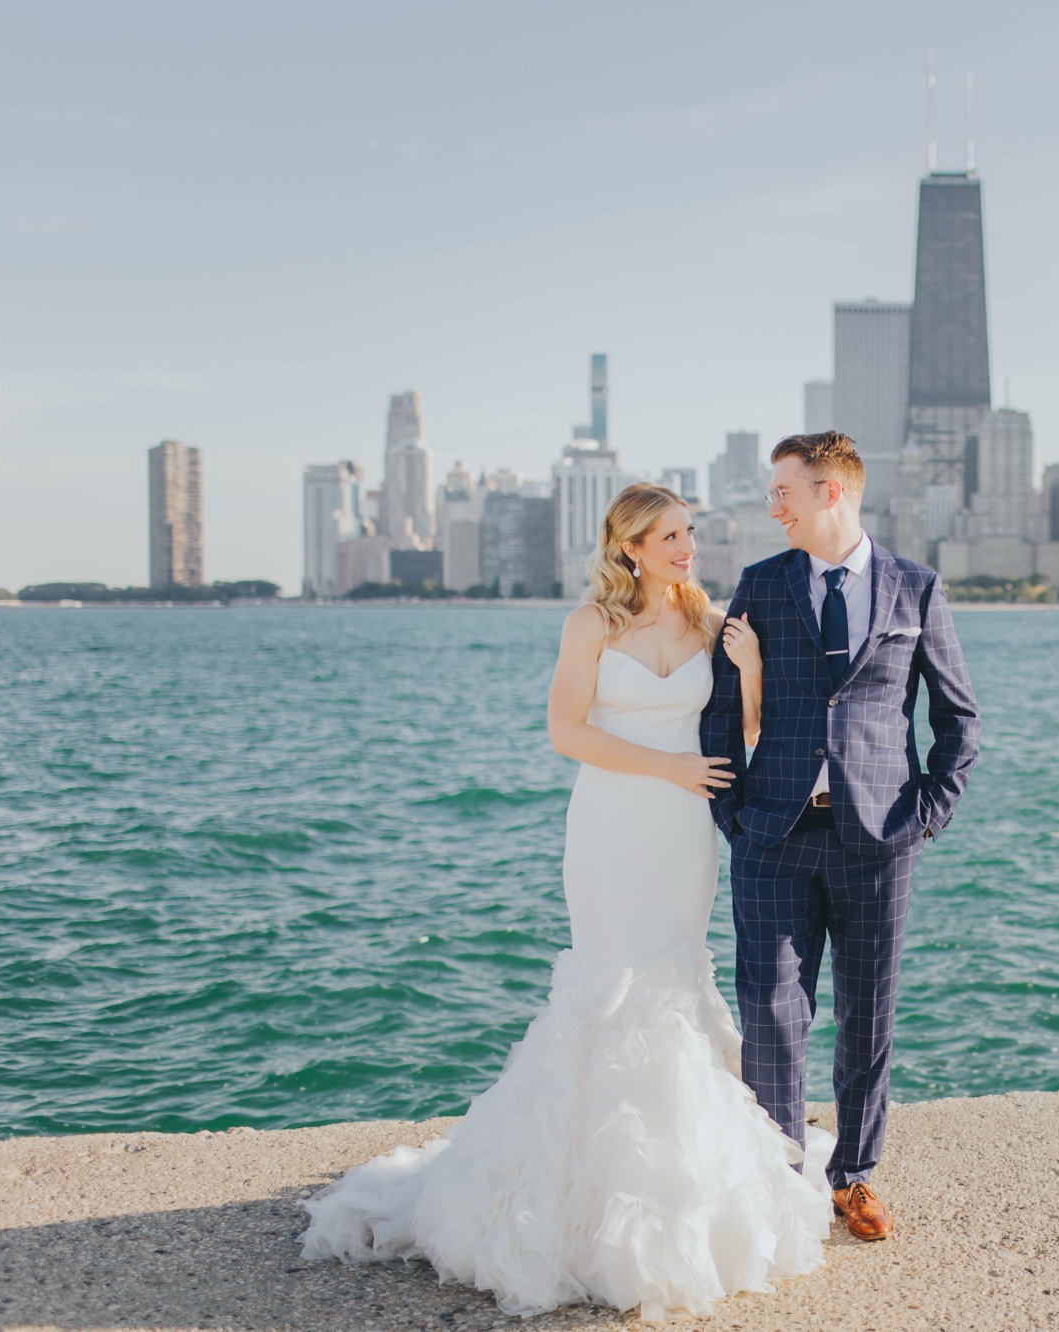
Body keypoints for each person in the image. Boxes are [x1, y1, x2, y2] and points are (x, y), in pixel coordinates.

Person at [299, 483, 829, 1322]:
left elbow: (748, 737)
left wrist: (752, 670)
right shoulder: (591, 624)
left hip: (684, 834)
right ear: (630, 548)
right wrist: (669, 770)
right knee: (610, 985)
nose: (687, 548)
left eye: (689, 533)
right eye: (668, 537)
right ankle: (574, 1194)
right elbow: (567, 732)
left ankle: (675, 1185)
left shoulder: (709, 624)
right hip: (613, 826)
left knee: (674, 980)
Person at [701, 431, 980, 1242]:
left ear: (832, 493)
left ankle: (853, 1179)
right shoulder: (759, 585)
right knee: (771, 1013)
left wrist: (925, 815)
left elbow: (957, 721)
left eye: (783, 492)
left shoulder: (915, 589)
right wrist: (735, 815)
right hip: (774, 837)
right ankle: (780, 1182)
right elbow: (722, 712)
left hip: (878, 841)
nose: (772, 508)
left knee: (867, 1015)